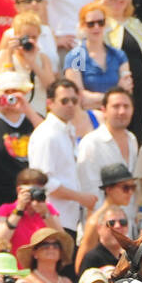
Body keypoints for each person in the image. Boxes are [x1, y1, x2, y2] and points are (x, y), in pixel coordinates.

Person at [27, 78, 99, 235]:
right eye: (64, 100)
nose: (71, 105)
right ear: (50, 103)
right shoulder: (47, 134)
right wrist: (80, 198)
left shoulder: (66, 131)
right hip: (50, 219)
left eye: (74, 100)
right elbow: (43, 182)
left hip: (68, 219)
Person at [96, 0, 142, 142]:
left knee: (136, 140)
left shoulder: (135, 24)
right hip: (114, 92)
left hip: (140, 93)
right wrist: (103, 3)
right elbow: (84, 40)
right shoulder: (98, 24)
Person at [0, 71, 43, 209]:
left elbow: (49, 137)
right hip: (3, 193)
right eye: (7, 92)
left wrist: (27, 109)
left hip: (33, 190)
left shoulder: (33, 118)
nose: (11, 97)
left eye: (16, 92)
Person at [74, 87, 138, 214]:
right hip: (101, 222)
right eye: (116, 106)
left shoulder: (132, 139)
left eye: (126, 106)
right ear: (104, 110)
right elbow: (88, 187)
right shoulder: (91, 142)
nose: (122, 111)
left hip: (127, 223)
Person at [63, 2, 128, 111]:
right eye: (91, 24)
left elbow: (126, 92)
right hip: (88, 118)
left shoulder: (118, 55)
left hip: (117, 115)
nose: (96, 27)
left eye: (100, 22)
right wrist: (113, 98)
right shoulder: (75, 57)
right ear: (83, 26)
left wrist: (94, 99)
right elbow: (78, 97)